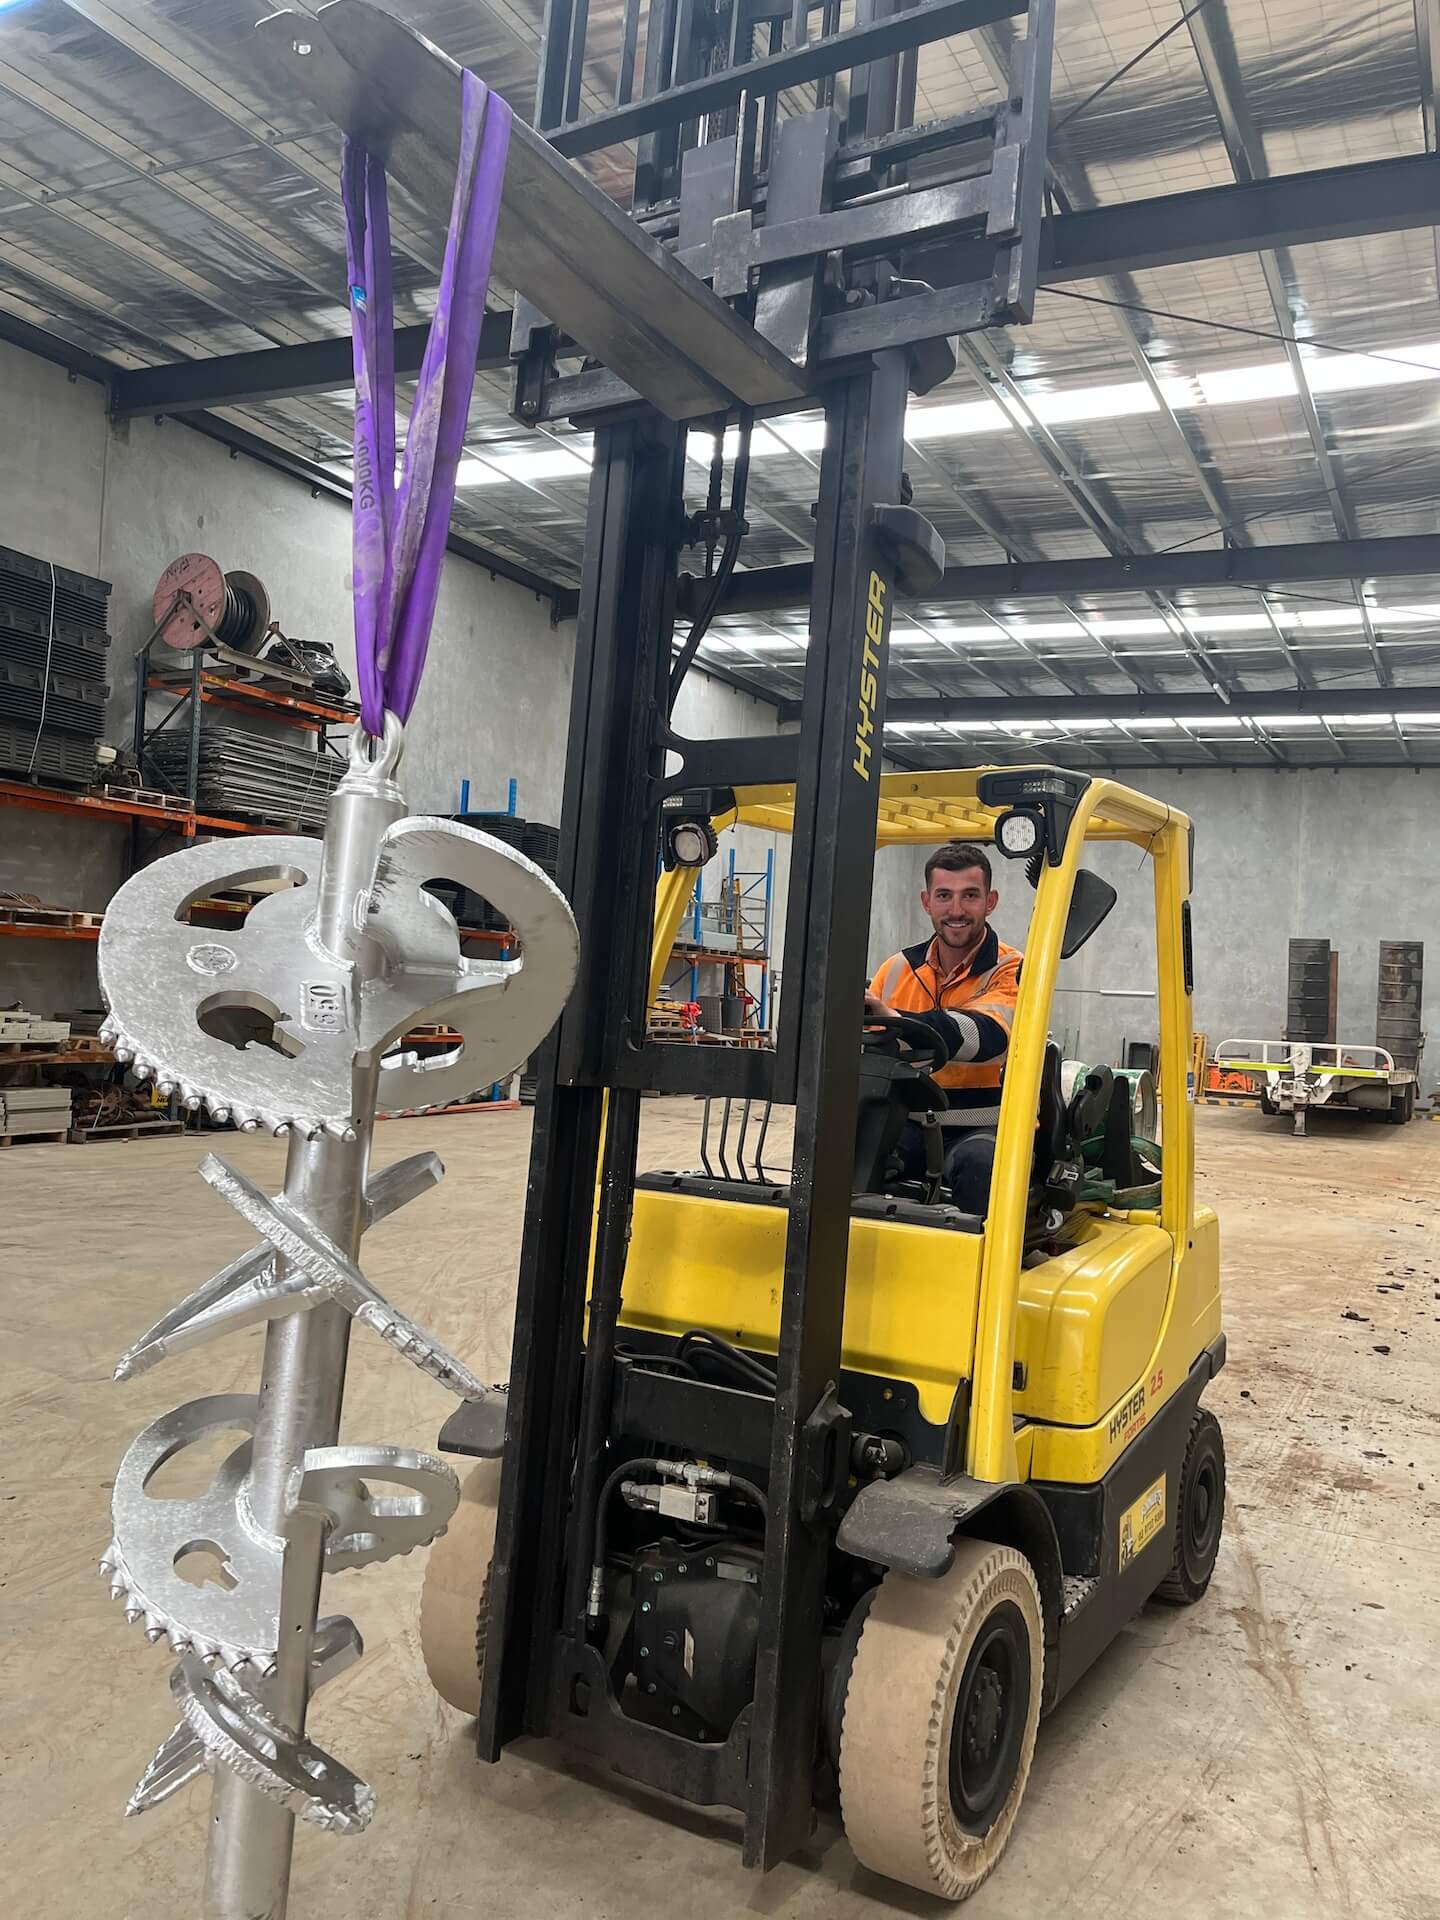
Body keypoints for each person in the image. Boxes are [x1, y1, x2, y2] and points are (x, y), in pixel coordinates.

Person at [864, 840, 1022, 1212]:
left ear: (991, 901)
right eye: (944, 895)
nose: (956, 910)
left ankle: (980, 1269)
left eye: (970, 895)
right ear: (926, 902)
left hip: (984, 1127)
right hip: (911, 1121)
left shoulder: (1013, 968)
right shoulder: (896, 969)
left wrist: (897, 1022)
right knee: (845, 1154)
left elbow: (988, 1036)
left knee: (979, 1167)